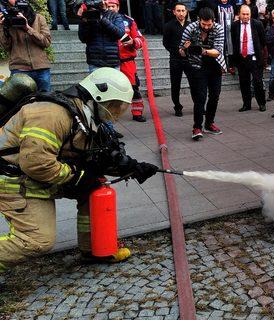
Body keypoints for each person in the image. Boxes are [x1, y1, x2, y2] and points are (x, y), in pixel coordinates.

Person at [0, 68, 159, 274]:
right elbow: (36, 163)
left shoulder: (85, 116)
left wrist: (131, 167)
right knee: (37, 241)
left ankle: (94, 248)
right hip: (13, 179)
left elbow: (99, 157)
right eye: (113, 106)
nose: (116, 112)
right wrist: (78, 176)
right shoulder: (51, 114)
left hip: (36, 176)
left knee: (94, 187)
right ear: (97, 97)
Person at [180, 7, 226, 139]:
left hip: (215, 65)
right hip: (197, 66)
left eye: (209, 24)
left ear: (214, 21)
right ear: (199, 20)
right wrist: (185, 48)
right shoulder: (190, 28)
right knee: (200, 97)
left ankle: (209, 123)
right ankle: (197, 127)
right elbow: (181, 52)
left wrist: (200, 50)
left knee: (214, 96)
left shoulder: (219, 29)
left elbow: (217, 51)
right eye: (203, 24)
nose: (206, 27)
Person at [106, 0, 147, 122]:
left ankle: (137, 112)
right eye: (108, 6)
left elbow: (140, 39)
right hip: (109, 61)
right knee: (110, 91)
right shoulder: (100, 20)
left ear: (118, 7)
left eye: (113, 6)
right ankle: (111, 115)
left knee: (133, 88)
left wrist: (133, 42)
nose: (111, 8)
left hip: (127, 62)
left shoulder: (129, 21)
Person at [0, 0, 52, 92]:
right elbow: (6, 46)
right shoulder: (9, 22)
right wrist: (1, 27)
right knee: (22, 103)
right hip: (19, 70)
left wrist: (27, 28)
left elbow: (46, 42)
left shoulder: (39, 18)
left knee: (44, 101)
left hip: (41, 69)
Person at [231, 5, 266, 112]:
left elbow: (263, 41)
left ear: (250, 14)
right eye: (243, 14)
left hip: (254, 58)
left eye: (247, 14)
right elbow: (234, 42)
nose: (245, 16)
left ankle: (261, 103)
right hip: (241, 58)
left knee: (258, 81)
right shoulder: (234, 25)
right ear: (239, 14)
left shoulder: (257, 24)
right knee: (243, 82)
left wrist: (260, 55)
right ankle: (246, 104)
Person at [78, 0, 126, 71]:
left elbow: (119, 34)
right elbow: (83, 38)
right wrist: (85, 22)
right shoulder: (87, 16)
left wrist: (102, 18)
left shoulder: (115, 16)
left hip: (113, 62)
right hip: (95, 62)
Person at [163, 2, 189, 117]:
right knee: (175, 84)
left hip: (189, 59)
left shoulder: (191, 25)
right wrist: (176, 51)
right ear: (174, 12)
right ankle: (177, 106)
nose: (181, 13)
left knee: (195, 83)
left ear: (186, 11)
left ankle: (199, 105)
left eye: (183, 11)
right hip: (175, 59)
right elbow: (166, 43)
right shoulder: (168, 26)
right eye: (178, 11)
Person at [204, 0, 236, 73]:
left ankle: (231, 65)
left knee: (231, 48)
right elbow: (214, 19)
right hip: (220, 31)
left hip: (230, 31)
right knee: (221, 48)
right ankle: (222, 65)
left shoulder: (231, 6)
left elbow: (234, 17)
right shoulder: (217, 7)